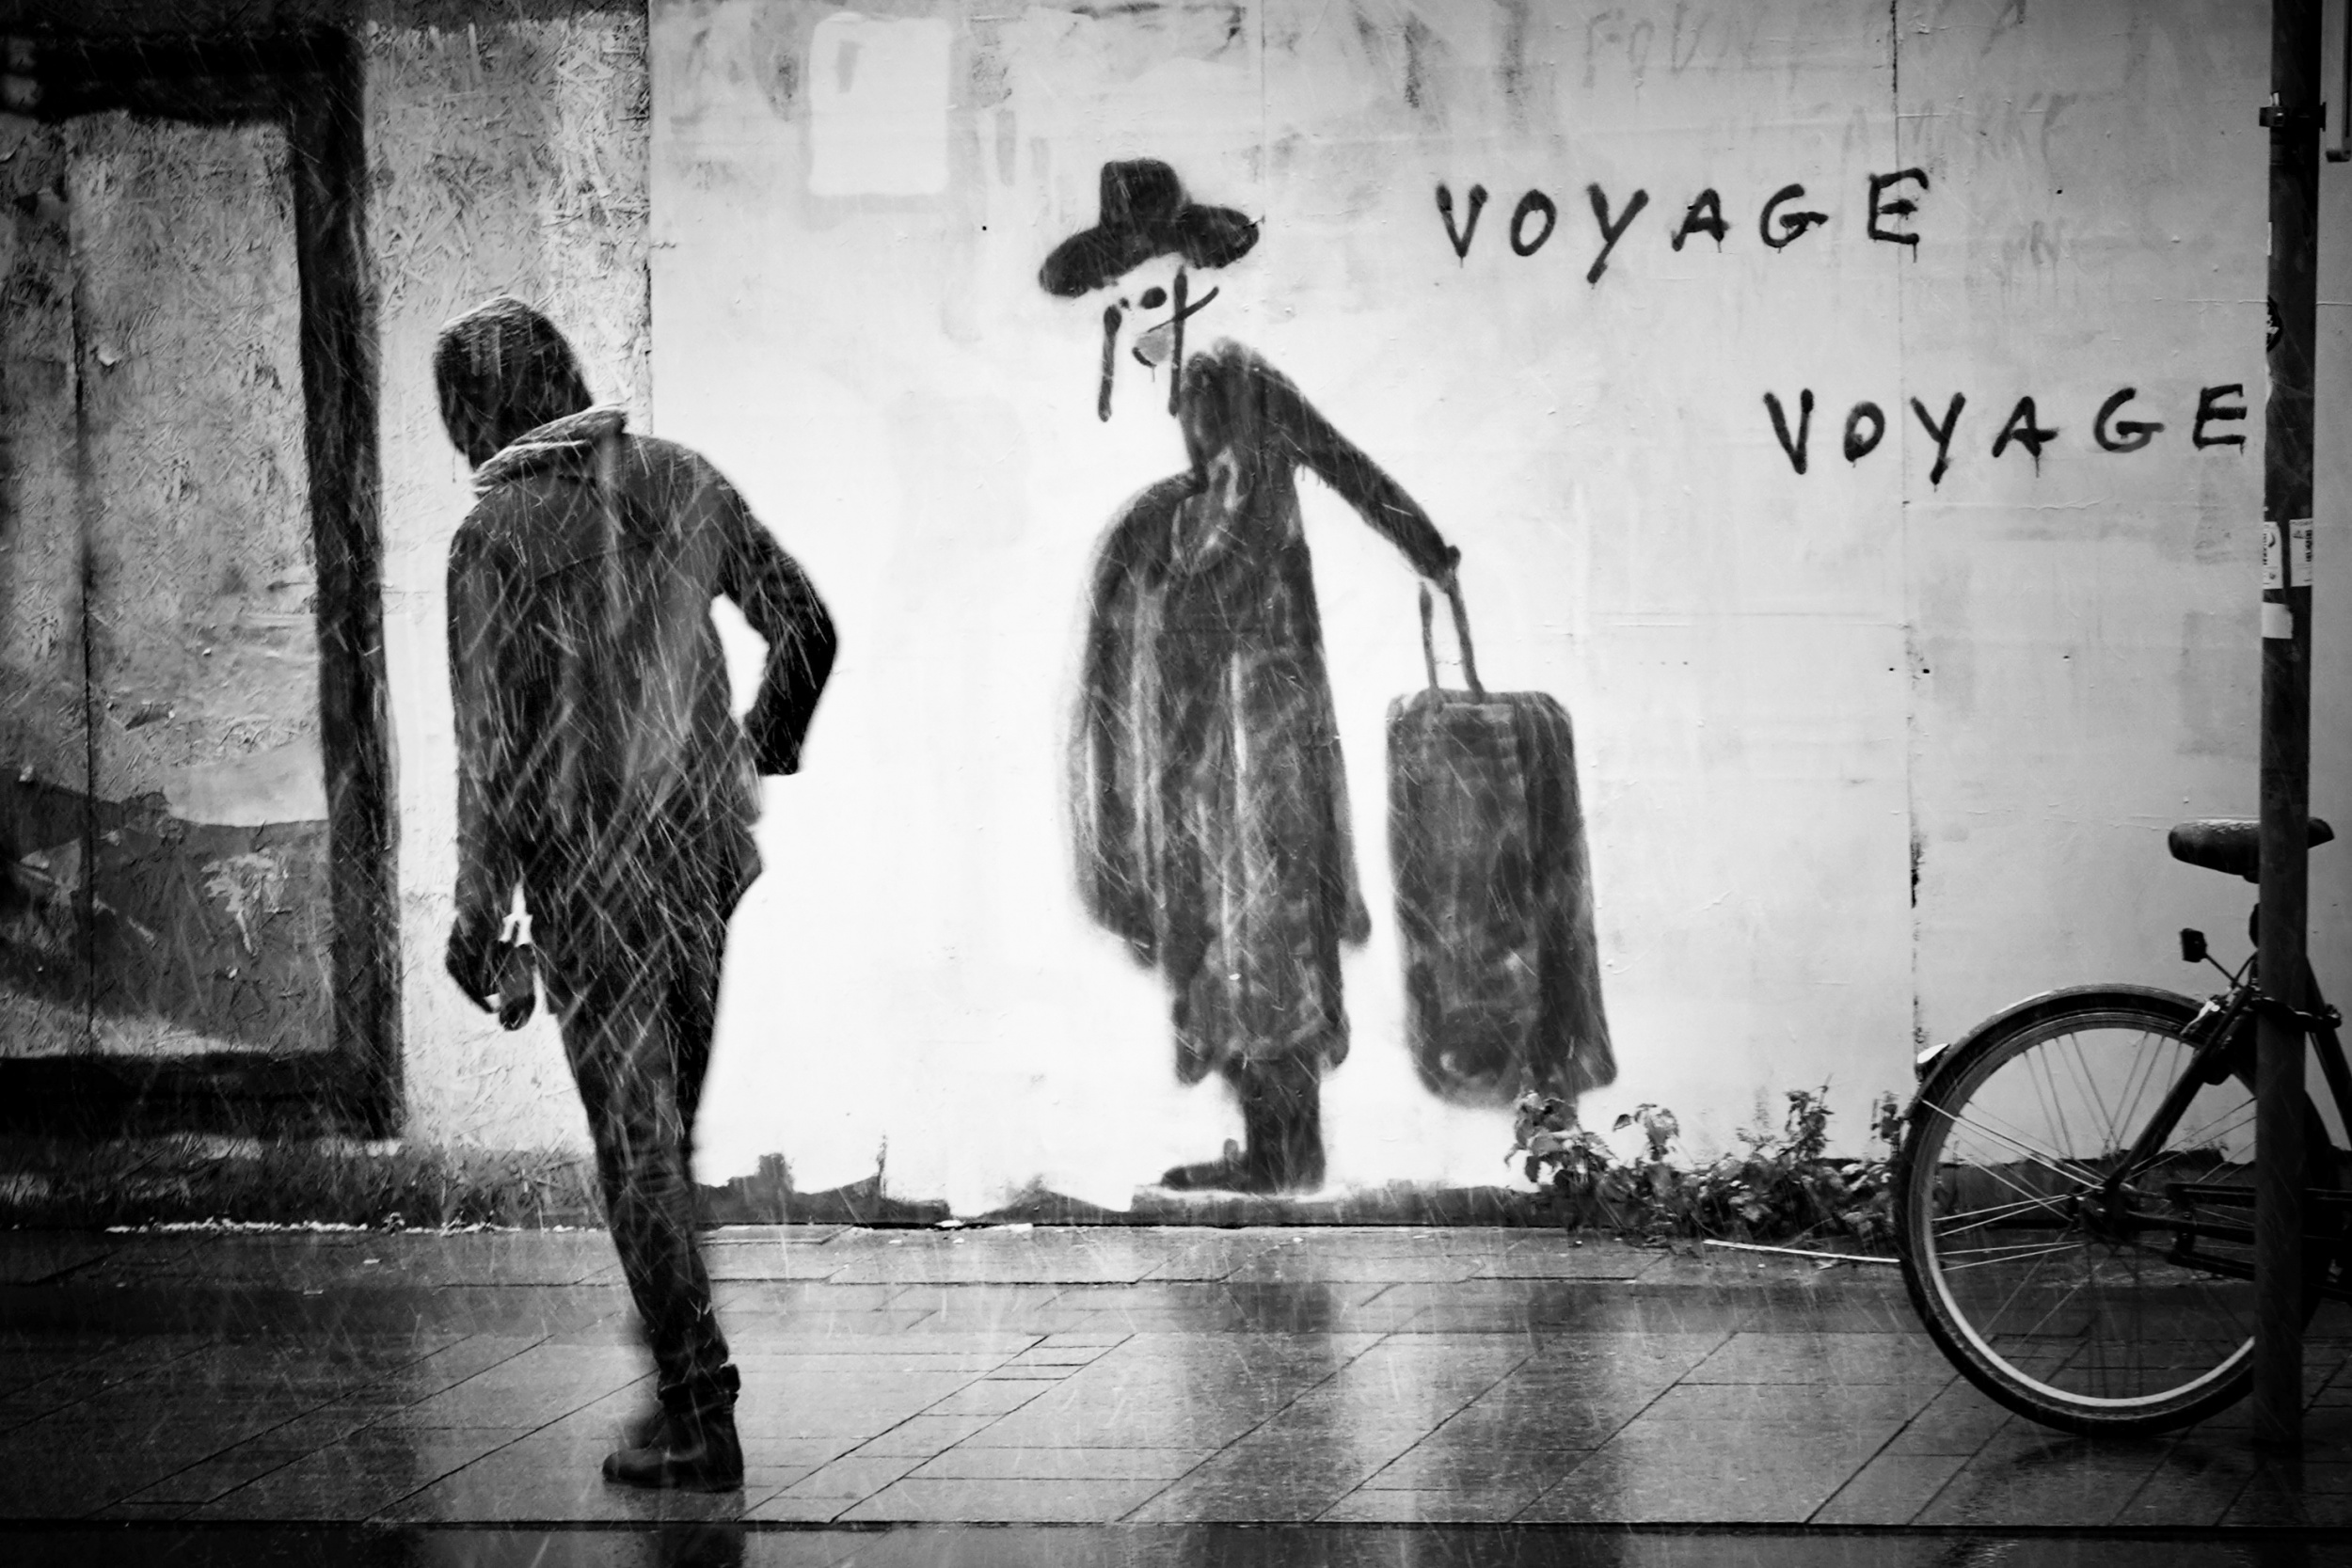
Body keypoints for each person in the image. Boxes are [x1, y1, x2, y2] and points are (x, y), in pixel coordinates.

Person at [435, 297, 835, 1490]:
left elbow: (491, 751)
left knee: (636, 1142)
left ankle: (699, 1405)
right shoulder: (678, 475)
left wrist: (479, 915)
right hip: (700, 857)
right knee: (664, 1118)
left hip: (592, 871)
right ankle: (677, 1345)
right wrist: (754, 746)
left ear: (477, 414)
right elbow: (807, 625)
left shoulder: (494, 536)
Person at [1049, 166, 1461, 1194]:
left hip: (1256, 707)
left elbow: (1318, 477)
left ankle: (1285, 1144)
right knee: (1216, 907)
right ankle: (1271, 1137)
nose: (1132, 312)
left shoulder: (1236, 382)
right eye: (1122, 293)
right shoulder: (1190, 391)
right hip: (1214, 713)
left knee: (1264, 910)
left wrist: (1428, 549)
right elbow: (1309, 478)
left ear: (1186, 279)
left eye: (1148, 285)